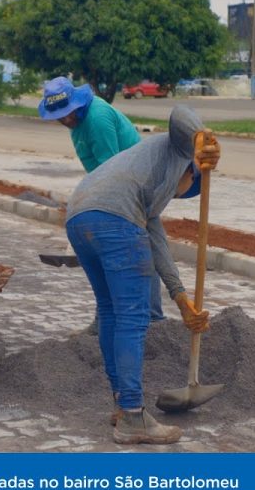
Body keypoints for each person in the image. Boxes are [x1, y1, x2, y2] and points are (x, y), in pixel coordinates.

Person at [65, 105, 220, 445]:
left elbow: (158, 245)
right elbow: (180, 114)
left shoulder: (144, 181)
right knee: (133, 318)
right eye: (183, 190)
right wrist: (200, 138)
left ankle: (122, 405)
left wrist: (182, 300)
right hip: (114, 218)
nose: (177, 194)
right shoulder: (178, 149)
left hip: (79, 216)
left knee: (110, 312)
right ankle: (134, 416)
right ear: (191, 172)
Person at [37, 77, 166, 329]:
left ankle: (152, 319)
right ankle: (111, 318)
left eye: (68, 113)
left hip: (135, 190)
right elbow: (98, 172)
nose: (66, 119)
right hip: (116, 187)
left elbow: (112, 171)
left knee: (141, 250)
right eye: (60, 117)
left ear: (76, 103)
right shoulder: (78, 123)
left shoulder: (96, 119)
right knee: (113, 250)